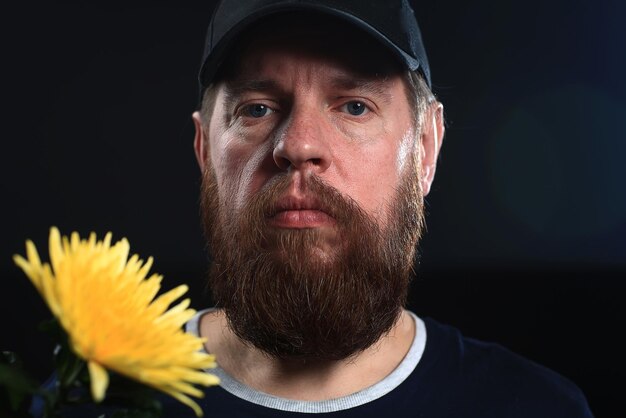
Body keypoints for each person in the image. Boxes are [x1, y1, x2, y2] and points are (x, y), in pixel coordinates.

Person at [33, 0, 594, 416]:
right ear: (205, 150)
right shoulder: (84, 398)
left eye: (354, 106)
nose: (298, 144)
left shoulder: (536, 407)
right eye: (256, 108)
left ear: (425, 150)